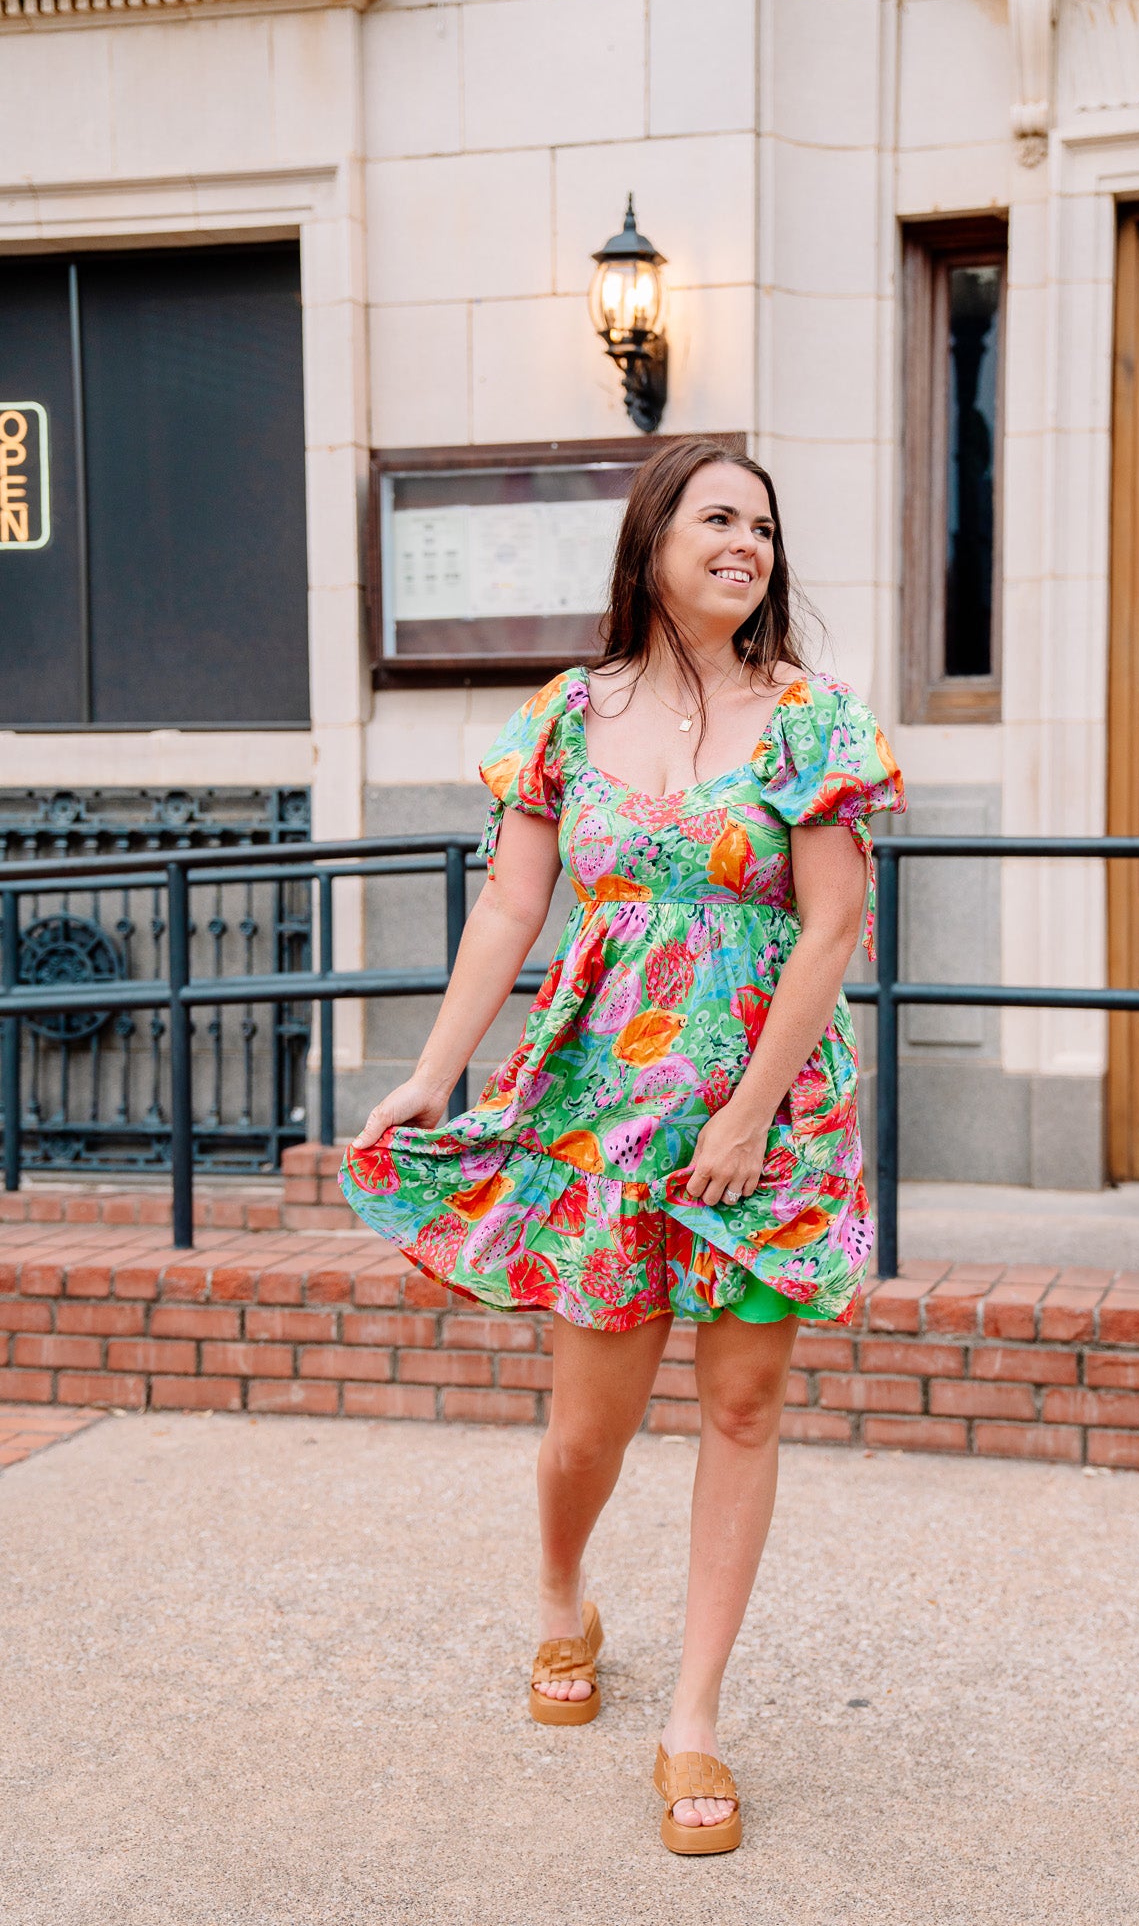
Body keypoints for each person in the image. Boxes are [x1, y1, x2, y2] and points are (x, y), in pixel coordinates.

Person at [341, 434, 903, 1856]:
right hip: (603, 1107)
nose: (746, 545)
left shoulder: (813, 720)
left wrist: (748, 1111)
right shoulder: (563, 716)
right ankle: (558, 1594)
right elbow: (506, 914)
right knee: (586, 1423)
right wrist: (430, 1070)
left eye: (763, 529)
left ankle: (693, 1722)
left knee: (741, 1405)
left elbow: (832, 925)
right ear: (649, 540)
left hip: (768, 1110)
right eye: (716, 519)